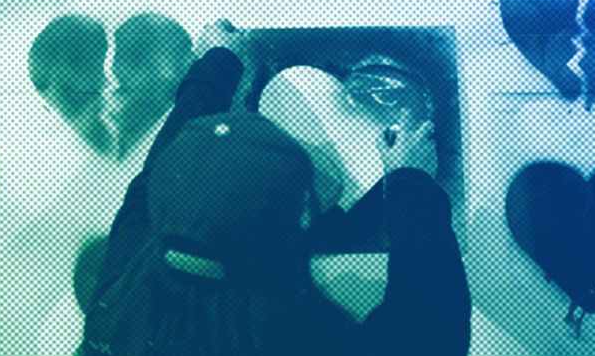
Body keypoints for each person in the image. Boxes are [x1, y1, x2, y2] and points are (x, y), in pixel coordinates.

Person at [80, 22, 470, 355]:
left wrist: (218, 63)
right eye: (306, 196)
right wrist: (411, 183)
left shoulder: (131, 259)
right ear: (296, 221)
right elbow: (430, 335)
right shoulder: (289, 337)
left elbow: (161, 163)